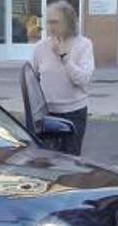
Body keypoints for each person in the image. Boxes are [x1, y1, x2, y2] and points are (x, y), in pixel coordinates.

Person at [31, 1, 94, 155]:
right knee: (48, 158)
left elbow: (83, 79)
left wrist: (64, 57)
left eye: (55, 22)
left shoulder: (83, 45)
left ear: (68, 21)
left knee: (70, 158)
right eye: (48, 22)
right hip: (48, 113)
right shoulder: (40, 47)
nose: (50, 27)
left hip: (74, 112)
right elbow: (32, 78)